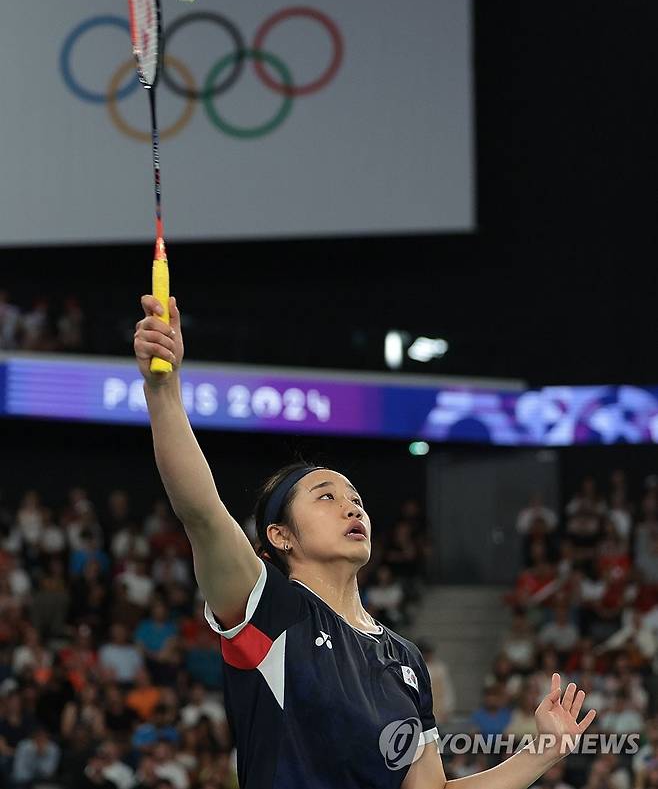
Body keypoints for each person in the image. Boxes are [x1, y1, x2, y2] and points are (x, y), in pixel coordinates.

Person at [133, 294, 597, 789]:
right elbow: (201, 512)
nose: (352, 507)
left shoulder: (405, 660)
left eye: (355, 497)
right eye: (325, 496)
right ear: (280, 536)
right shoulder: (268, 609)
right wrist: (163, 388)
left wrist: (541, 754)